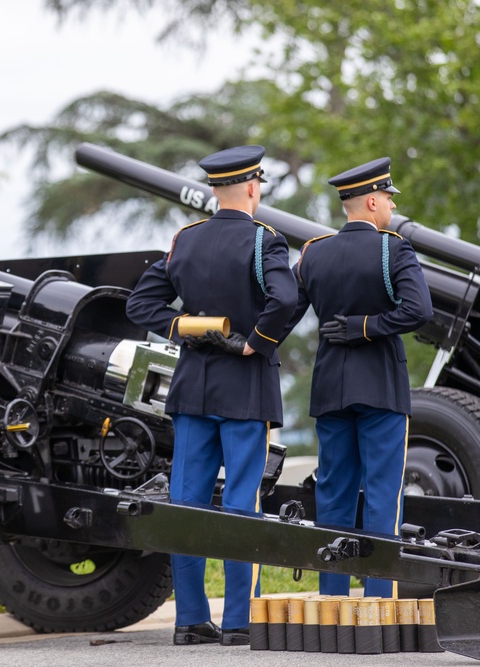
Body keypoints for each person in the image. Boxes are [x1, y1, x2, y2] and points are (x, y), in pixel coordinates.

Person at [126, 145, 298, 646]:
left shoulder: (186, 240)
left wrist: (182, 326)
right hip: (244, 389)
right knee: (243, 499)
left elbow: (143, 303)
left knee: (187, 502)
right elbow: (285, 299)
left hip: (192, 390)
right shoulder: (265, 240)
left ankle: (190, 621)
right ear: (251, 187)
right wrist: (256, 342)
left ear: (215, 190)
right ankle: (241, 620)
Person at [287, 157, 433, 598]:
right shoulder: (394, 249)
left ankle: (331, 598)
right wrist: (368, 326)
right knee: (383, 494)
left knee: (333, 493)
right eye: (388, 198)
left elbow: (284, 314)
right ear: (372, 201)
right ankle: (378, 597)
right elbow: (418, 311)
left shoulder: (314, 253)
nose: (390, 206)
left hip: (331, 388)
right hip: (381, 390)